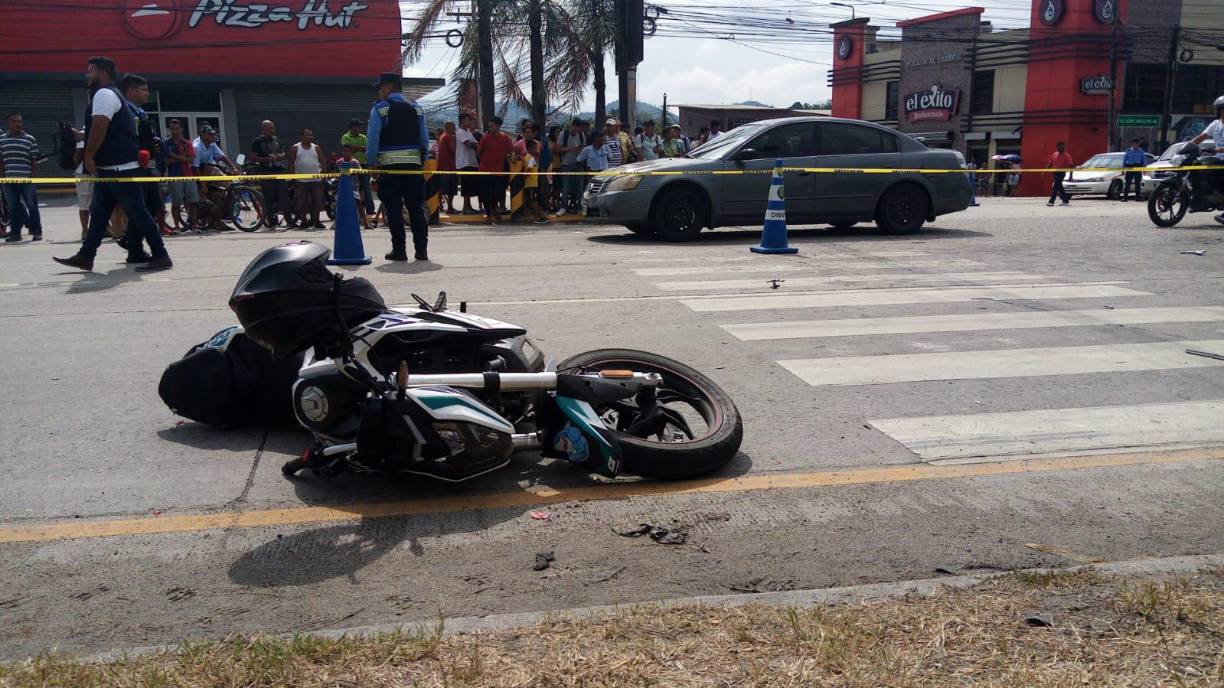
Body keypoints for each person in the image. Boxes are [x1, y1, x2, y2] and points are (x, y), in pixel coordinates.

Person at [55, 56, 172, 272]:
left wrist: (89, 156)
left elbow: (100, 126)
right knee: (99, 214)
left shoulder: (104, 94)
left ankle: (161, 255)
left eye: (91, 71)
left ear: (103, 73)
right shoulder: (109, 95)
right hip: (110, 169)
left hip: (120, 170)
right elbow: (104, 130)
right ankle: (86, 255)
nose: (87, 75)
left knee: (139, 213)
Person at [367, 72, 430, 261]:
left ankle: (399, 251)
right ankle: (421, 251)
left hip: (389, 168)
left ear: (389, 87)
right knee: (416, 207)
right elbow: (424, 138)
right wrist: (423, 159)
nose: (379, 91)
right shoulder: (416, 108)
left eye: (380, 87)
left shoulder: (380, 109)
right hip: (413, 166)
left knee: (393, 208)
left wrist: (372, 162)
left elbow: (373, 138)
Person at [0, 112, 43, 242]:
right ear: (8, 123)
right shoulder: (2, 139)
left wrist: (33, 179)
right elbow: (1, 160)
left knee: (32, 206)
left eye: (19, 121)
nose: (17, 124)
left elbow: (34, 161)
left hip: (26, 180)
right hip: (8, 180)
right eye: (14, 121)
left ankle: (36, 231)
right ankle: (15, 233)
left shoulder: (30, 139)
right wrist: (2, 178)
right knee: (13, 207)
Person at [1189, 95, 1224, 224]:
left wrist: (1217, 150)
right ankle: (1200, 200)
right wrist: (1188, 146)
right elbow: (1201, 136)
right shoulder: (1215, 124)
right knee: (1197, 166)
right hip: (1219, 159)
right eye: (1220, 109)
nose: (1221, 111)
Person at [250, 120, 290, 228]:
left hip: (279, 172)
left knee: (284, 197)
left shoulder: (276, 139)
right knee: (269, 199)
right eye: (270, 128)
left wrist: (281, 155)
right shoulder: (258, 141)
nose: (272, 130)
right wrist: (268, 159)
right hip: (266, 173)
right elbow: (253, 157)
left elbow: (282, 151)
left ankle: (289, 221)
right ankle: (272, 221)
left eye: (273, 128)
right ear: (264, 129)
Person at [476, 115, 514, 224]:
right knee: (485, 193)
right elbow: (479, 153)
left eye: (492, 126)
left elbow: (510, 152)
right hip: (484, 170)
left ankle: (493, 209)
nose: (490, 128)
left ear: (498, 126)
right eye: (489, 126)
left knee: (497, 192)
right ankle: (488, 214)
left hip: (498, 170)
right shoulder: (485, 138)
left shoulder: (505, 138)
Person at [162, 118, 198, 232]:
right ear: (169, 129)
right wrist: (183, 157)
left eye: (177, 128)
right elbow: (166, 161)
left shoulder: (187, 143)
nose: (175, 131)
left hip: (188, 175)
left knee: (193, 202)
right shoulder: (166, 144)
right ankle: (177, 226)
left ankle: (194, 225)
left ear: (181, 129)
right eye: (172, 129)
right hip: (174, 176)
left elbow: (191, 159)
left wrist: (175, 156)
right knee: (176, 203)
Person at [288, 128, 326, 229]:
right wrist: (294, 178)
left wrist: (323, 176)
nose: (310, 137)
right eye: (307, 135)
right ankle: (304, 221)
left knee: (317, 201)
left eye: (311, 135)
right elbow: (291, 164)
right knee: (302, 202)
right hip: (301, 181)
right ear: (302, 136)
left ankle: (316, 221)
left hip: (316, 180)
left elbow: (323, 162)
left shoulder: (316, 148)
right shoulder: (295, 148)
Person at [341, 118, 375, 217]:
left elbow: (367, 149)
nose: (359, 128)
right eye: (357, 126)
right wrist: (360, 148)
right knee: (350, 187)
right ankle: (350, 209)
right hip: (349, 164)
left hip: (363, 164)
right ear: (352, 128)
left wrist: (355, 148)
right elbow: (347, 149)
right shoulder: (345, 137)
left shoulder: (363, 137)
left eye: (360, 127)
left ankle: (370, 210)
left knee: (366, 187)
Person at [557, 119, 588, 214]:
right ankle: (564, 207)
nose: (576, 131)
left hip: (578, 164)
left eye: (578, 130)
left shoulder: (581, 135)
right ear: (572, 126)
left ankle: (580, 207)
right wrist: (572, 148)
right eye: (575, 129)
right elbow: (558, 149)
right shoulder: (563, 134)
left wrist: (581, 149)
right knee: (566, 187)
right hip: (566, 164)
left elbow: (584, 148)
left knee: (579, 187)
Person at [338, 144, 371, 229]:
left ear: (351, 152)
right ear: (341, 152)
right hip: (342, 187)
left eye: (347, 151)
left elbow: (360, 171)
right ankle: (338, 223)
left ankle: (366, 223)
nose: (346, 153)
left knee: (359, 205)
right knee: (341, 205)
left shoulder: (355, 162)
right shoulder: (339, 162)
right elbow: (337, 173)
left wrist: (352, 172)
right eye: (344, 151)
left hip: (354, 187)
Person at [455, 112, 480, 214]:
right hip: (464, 163)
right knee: (466, 186)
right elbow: (469, 144)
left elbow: (476, 144)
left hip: (471, 162)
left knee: (470, 187)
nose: (470, 122)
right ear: (462, 121)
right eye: (468, 120)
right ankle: (465, 208)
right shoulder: (460, 132)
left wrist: (474, 144)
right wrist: (474, 145)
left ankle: (469, 207)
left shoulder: (468, 132)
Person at [523, 139, 550, 224]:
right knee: (534, 200)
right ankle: (536, 217)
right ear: (529, 149)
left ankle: (539, 215)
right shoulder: (530, 158)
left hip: (533, 182)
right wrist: (524, 179)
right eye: (534, 148)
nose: (536, 150)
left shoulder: (530, 157)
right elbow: (529, 169)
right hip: (531, 183)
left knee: (535, 199)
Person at [71, 128, 91, 238]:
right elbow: (79, 153)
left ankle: (105, 228)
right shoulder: (85, 130)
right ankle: (85, 230)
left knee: (97, 203)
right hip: (85, 173)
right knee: (84, 203)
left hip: (94, 172)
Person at [436, 120, 457, 214]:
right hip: (449, 166)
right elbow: (453, 151)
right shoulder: (448, 137)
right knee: (450, 189)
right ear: (448, 127)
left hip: (443, 167)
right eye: (453, 126)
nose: (455, 128)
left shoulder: (442, 137)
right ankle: (450, 208)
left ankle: (441, 206)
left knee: (441, 188)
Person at [1045, 141, 1073, 206]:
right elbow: (1050, 163)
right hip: (1055, 173)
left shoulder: (1067, 155)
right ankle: (1065, 200)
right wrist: (1045, 171)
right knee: (1060, 187)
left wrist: (1071, 176)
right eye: (1060, 146)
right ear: (1057, 147)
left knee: (1055, 186)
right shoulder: (1054, 154)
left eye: (1063, 146)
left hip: (1061, 173)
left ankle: (1051, 201)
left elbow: (1071, 166)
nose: (1062, 148)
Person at [1121, 138, 1146, 203]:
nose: (1135, 145)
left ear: (1138, 144)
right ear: (1132, 144)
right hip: (1130, 167)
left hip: (1138, 167)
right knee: (1128, 183)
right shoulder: (1128, 151)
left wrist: (1144, 169)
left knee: (1138, 183)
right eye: (1134, 144)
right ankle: (1125, 198)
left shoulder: (1141, 151)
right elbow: (1124, 161)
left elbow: (1144, 161)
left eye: (1137, 144)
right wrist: (1123, 169)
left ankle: (1137, 197)